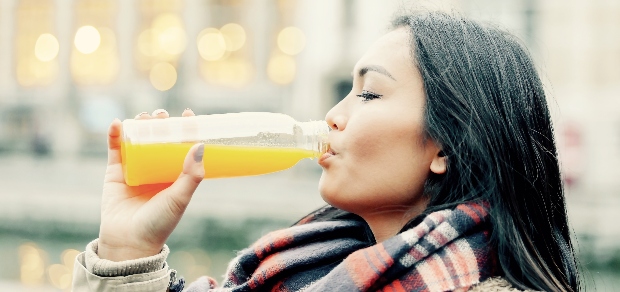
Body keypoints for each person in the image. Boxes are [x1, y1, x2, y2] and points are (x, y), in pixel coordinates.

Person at [72, 11, 581, 292]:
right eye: (345, 89)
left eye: (369, 93)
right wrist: (126, 252)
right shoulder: (299, 270)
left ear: (445, 145)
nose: (334, 114)